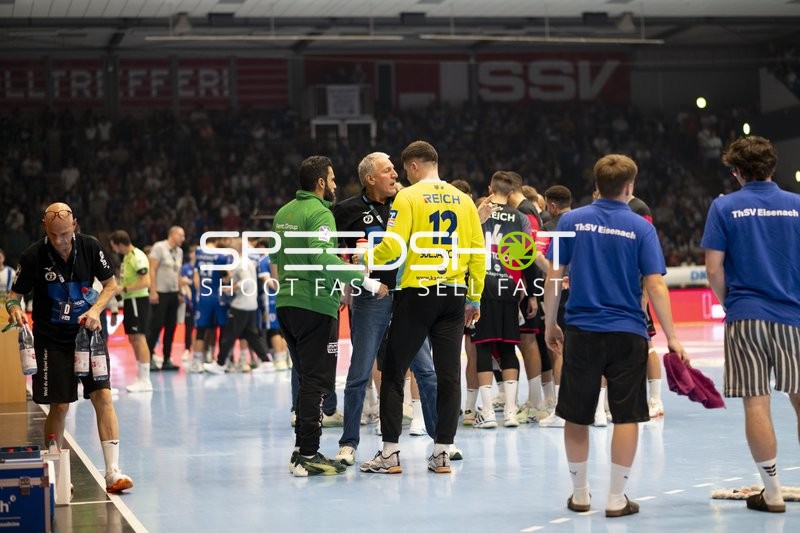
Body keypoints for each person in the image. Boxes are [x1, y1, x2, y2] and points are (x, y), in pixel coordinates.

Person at [543, 155, 688, 517]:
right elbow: (655, 283)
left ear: (597, 183)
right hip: (628, 332)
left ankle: (579, 495)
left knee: (577, 416)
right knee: (626, 416)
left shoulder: (571, 220)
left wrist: (550, 323)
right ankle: (616, 498)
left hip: (582, 329)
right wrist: (672, 337)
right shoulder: (641, 227)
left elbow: (553, 276)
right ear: (629, 187)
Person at [358, 140, 486, 475]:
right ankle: (442, 452)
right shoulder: (464, 200)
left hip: (418, 293)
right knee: (448, 374)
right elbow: (477, 253)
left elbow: (393, 245)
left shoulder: (408, 196)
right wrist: (474, 298)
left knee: (395, 371)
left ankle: (389, 453)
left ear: (414, 166)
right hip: (454, 295)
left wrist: (364, 257)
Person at [271, 155, 389, 477]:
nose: (336, 184)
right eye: (333, 178)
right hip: (314, 305)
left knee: (306, 375)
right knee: (317, 381)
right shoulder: (321, 213)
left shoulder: (284, 213)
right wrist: (364, 279)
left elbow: (276, 257)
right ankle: (308, 454)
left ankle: (299, 450)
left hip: (287, 302)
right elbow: (322, 257)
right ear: (321, 182)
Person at [701, 135, 800, 514]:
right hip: (794, 316)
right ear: (773, 167)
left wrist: (733, 305)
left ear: (736, 171)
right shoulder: (796, 205)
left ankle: (772, 492)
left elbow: (713, 269)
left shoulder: (724, 206)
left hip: (746, 315)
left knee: (756, 402)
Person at [5, 203, 133, 493]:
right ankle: (57, 474)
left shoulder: (90, 247)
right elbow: (14, 296)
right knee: (60, 405)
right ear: (44, 229)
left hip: (87, 335)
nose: (60, 240)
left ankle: (112, 472)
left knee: (103, 395)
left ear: (74, 224)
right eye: (54, 235)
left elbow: (110, 285)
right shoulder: (33, 255)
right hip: (51, 340)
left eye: (64, 233)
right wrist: (15, 309)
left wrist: (96, 310)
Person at [331, 151, 440, 466]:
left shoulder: (407, 201)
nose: (396, 175)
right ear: (370, 178)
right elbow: (337, 256)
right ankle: (349, 444)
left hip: (408, 296)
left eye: (395, 169)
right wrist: (358, 278)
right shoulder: (346, 210)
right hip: (371, 298)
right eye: (388, 170)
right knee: (359, 372)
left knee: (426, 371)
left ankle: (441, 443)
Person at [108, 230, 153, 393]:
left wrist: (123, 288)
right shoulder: (126, 258)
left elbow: (146, 282)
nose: (113, 250)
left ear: (120, 244)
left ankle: (145, 380)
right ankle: (140, 376)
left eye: (114, 246)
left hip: (137, 300)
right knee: (133, 338)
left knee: (140, 337)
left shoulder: (138, 256)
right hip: (129, 300)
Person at [147, 225, 185, 371]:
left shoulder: (179, 251)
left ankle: (167, 359)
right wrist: (153, 291)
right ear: (173, 234)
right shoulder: (159, 247)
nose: (183, 239)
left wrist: (181, 292)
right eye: (181, 235)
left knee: (171, 327)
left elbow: (178, 273)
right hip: (160, 293)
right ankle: (149, 358)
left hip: (173, 293)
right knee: (156, 326)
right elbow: (152, 269)